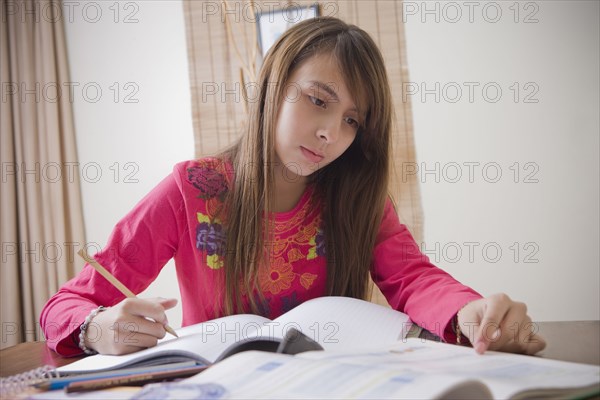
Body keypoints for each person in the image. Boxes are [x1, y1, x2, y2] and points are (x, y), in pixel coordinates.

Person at [40, 17, 545, 357]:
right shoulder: (191, 190)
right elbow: (65, 305)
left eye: (352, 121)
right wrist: (97, 328)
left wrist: (470, 314)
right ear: (274, 88)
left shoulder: (353, 197)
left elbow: (413, 279)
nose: (332, 134)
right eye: (318, 100)